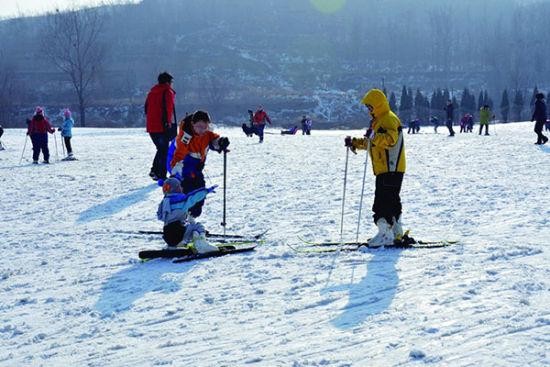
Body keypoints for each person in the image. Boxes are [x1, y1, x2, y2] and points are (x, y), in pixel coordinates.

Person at [344, 89, 406, 248]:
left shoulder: (389, 119)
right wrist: (356, 143)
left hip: (389, 168)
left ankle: (386, 235)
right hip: (387, 169)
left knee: (382, 204)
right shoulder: (379, 120)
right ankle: (396, 233)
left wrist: (373, 136)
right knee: (392, 201)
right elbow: (373, 143)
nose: (368, 110)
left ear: (378, 105)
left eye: (370, 106)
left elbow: (390, 140)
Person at [170, 110, 230, 219]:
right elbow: (179, 155)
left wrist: (221, 142)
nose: (202, 130)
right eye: (199, 126)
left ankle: (191, 220)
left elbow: (214, 140)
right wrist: (175, 174)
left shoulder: (206, 133)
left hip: (197, 170)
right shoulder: (185, 136)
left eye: (205, 127)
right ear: (193, 124)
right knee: (187, 197)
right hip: (183, 169)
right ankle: (181, 221)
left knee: (200, 195)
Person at [157, 177, 219, 253]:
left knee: (185, 224)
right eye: (179, 186)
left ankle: (173, 246)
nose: (181, 187)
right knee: (197, 227)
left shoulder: (163, 202)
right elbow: (194, 196)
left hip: (167, 235)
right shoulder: (182, 199)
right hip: (180, 233)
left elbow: (159, 216)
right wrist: (207, 190)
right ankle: (201, 244)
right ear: (177, 188)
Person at [145, 72, 176, 181]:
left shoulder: (151, 92)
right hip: (162, 126)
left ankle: (155, 171)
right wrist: (168, 122)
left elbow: (146, 109)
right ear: (167, 82)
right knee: (164, 150)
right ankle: (160, 174)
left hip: (151, 126)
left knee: (161, 149)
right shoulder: (167, 92)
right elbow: (168, 109)